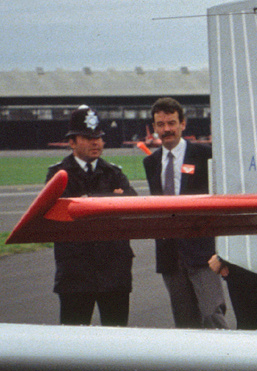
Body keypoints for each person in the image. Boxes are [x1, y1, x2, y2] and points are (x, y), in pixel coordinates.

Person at [143, 96, 228, 328]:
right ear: (154, 128)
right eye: (160, 125)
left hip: (203, 254)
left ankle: (226, 362)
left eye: (171, 123)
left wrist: (222, 250)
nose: (166, 129)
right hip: (170, 256)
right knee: (185, 325)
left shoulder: (205, 155)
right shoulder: (151, 163)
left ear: (183, 124)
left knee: (213, 314)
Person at [48, 106, 135, 326]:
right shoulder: (59, 174)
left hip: (114, 271)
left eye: (99, 137)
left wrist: (87, 200)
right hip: (76, 273)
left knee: (117, 338)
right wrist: (108, 199)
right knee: (73, 343)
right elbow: (60, 213)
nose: (96, 142)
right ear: (72, 142)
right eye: (88, 137)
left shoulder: (114, 172)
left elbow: (132, 207)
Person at [208, 253, 257, 330]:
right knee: (255, 324)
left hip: (249, 265)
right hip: (246, 263)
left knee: (255, 324)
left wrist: (222, 257)